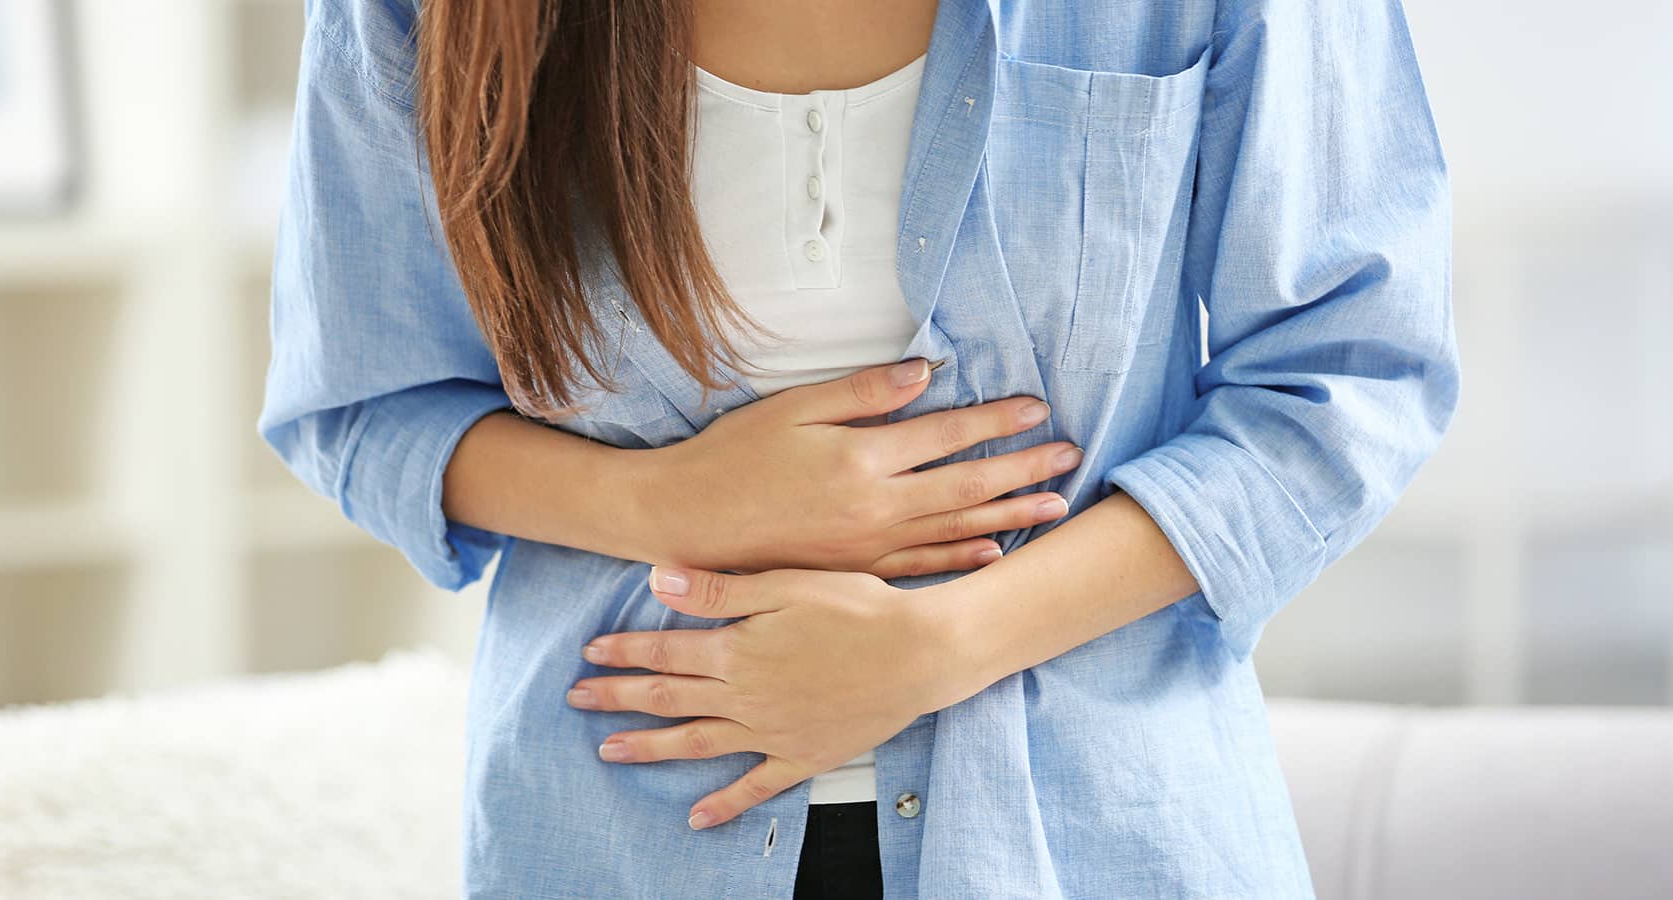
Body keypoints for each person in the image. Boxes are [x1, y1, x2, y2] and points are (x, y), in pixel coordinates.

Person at [259, 0, 1458, 896]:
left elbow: (1344, 374)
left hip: (1094, 840)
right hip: (608, 837)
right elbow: (362, 400)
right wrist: (672, 503)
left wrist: (945, 644)